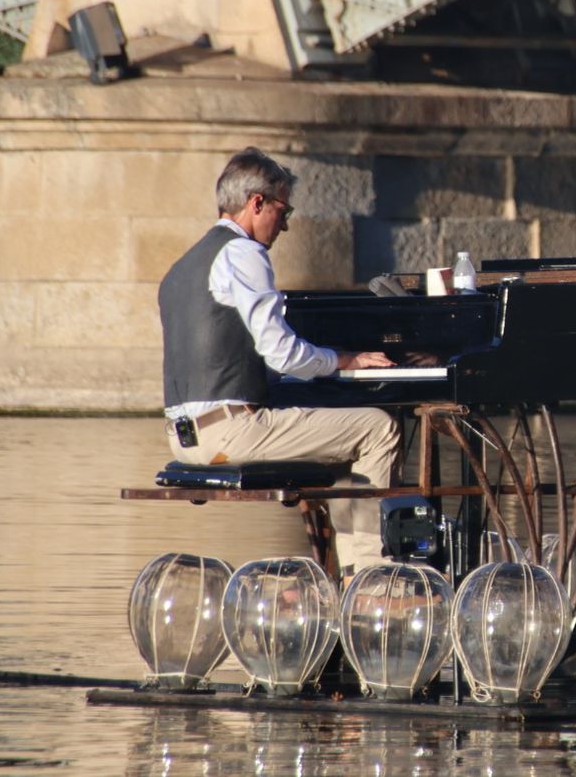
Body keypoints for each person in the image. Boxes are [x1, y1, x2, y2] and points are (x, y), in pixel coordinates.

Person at [159, 147, 402, 578]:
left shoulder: (182, 267)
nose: (285, 224)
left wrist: (312, 374)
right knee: (378, 428)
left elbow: (232, 355)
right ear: (257, 202)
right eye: (283, 210)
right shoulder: (244, 254)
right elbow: (281, 352)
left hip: (183, 437)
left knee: (342, 439)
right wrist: (345, 359)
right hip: (230, 431)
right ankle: (371, 578)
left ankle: (347, 573)